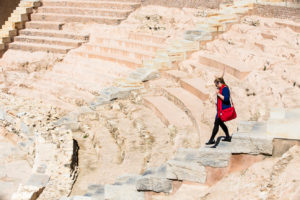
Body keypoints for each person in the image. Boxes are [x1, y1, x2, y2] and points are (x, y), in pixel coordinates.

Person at [206, 77, 232, 145]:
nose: (216, 86)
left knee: (216, 124)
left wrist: (218, 94)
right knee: (220, 124)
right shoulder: (222, 88)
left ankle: (211, 140)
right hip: (220, 110)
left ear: (219, 83)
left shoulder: (225, 89)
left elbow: (226, 99)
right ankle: (228, 137)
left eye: (216, 85)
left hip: (223, 110)